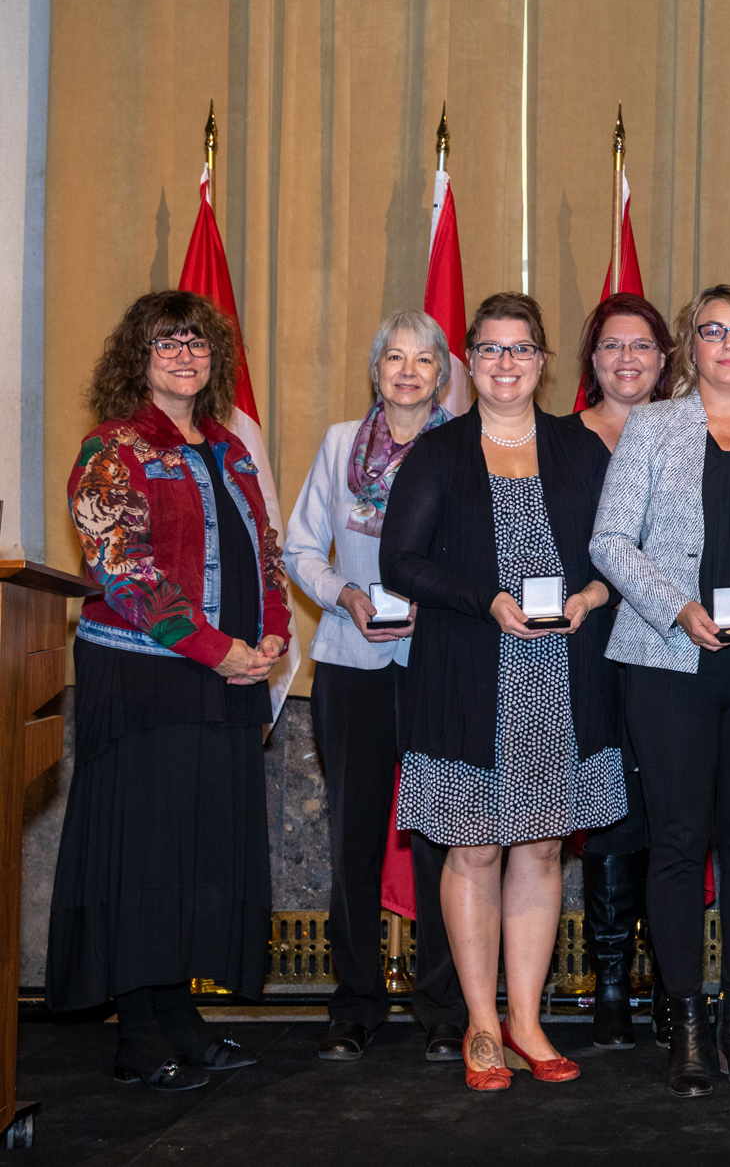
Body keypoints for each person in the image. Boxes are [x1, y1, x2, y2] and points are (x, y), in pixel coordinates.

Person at [381, 291, 624, 1092]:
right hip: (469, 673)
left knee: (543, 845)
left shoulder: (580, 445)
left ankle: (526, 1019)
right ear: (470, 361)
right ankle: (481, 1023)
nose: (506, 362)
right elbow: (399, 562)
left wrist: (593, 595)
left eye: (521, 347)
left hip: (561, 675)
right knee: (477, 845)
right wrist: (484, 598)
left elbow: (619, 548)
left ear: (543, 360)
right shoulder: (440, 452)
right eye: (490, 348)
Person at [50, 290, 289, 1090]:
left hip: (225, 680)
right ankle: (137, 1031)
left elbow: (267, 553)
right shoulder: (112, 447)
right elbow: (123, 568)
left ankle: (180, 1015)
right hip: (145, 679)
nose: (185, 355)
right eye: (167, 343)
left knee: (195, 854)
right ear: (139, 357)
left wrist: (274, 635)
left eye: (197, 342)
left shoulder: (231, 448)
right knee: (146, 855)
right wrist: (216, 649)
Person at [590, 284, 730, 1097]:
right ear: (692, 345)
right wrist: (675, 606)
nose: (728, 343)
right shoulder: (653, 427)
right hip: (667, 663)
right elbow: (610, 540)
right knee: (680, 841)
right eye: (713, 330)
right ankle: (686, 1021)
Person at [283, 311, 466, 1063]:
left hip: (437, 661)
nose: (408, 371)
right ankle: (355, 1003)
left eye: (424, 359)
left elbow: (478, 554)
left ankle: (445, 1008)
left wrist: (436, 598)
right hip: (351, 659)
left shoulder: (463, 446)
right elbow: (299, 548)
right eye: (395, 357)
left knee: (443, 841)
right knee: (353, 838)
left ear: (442, 374)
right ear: (376, 370)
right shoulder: (338, 445)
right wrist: (345, 595)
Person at [570, 292, 673, 1051]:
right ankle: (610, 986)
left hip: (669, 642)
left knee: (672, 809)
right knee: (610, 810)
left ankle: (673, 981)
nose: (626, 358)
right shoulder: (558, 439)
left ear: (665, 359)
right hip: (583, 643)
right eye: (612, 345)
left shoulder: (689, 432)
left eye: (641, 345)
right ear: (592, 359)